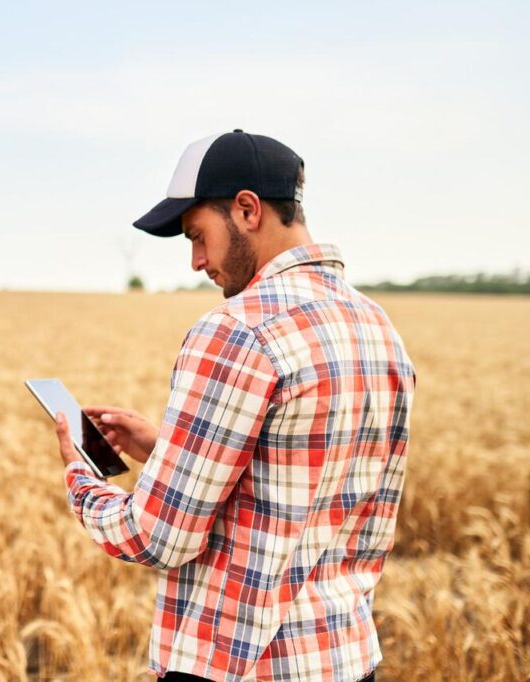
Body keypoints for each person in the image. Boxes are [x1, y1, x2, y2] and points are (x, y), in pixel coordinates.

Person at [52, 129, 416, 682]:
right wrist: (166, 451)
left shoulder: (238, 329)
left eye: (198, 235)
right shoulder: (377, 328)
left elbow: (157, 536)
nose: (197, 261)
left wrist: (81, 478)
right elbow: (310, 485)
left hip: (242, 668)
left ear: (247, 209)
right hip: (345, 659)